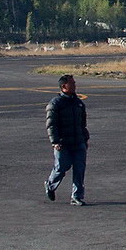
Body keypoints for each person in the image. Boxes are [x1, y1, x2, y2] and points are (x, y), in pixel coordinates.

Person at [45, 75, 89, 205]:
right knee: (61, 168)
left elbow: (82, 124)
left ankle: (77, 196)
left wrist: (85, 139)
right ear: (64, 86)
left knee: (79, 169)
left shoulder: (78, 103)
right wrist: (55, 142)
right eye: (72, 83)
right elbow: (51, 124)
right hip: (63, 143)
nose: (75, 85)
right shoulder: (55, 103)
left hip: (78, 142)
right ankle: (50, 185)